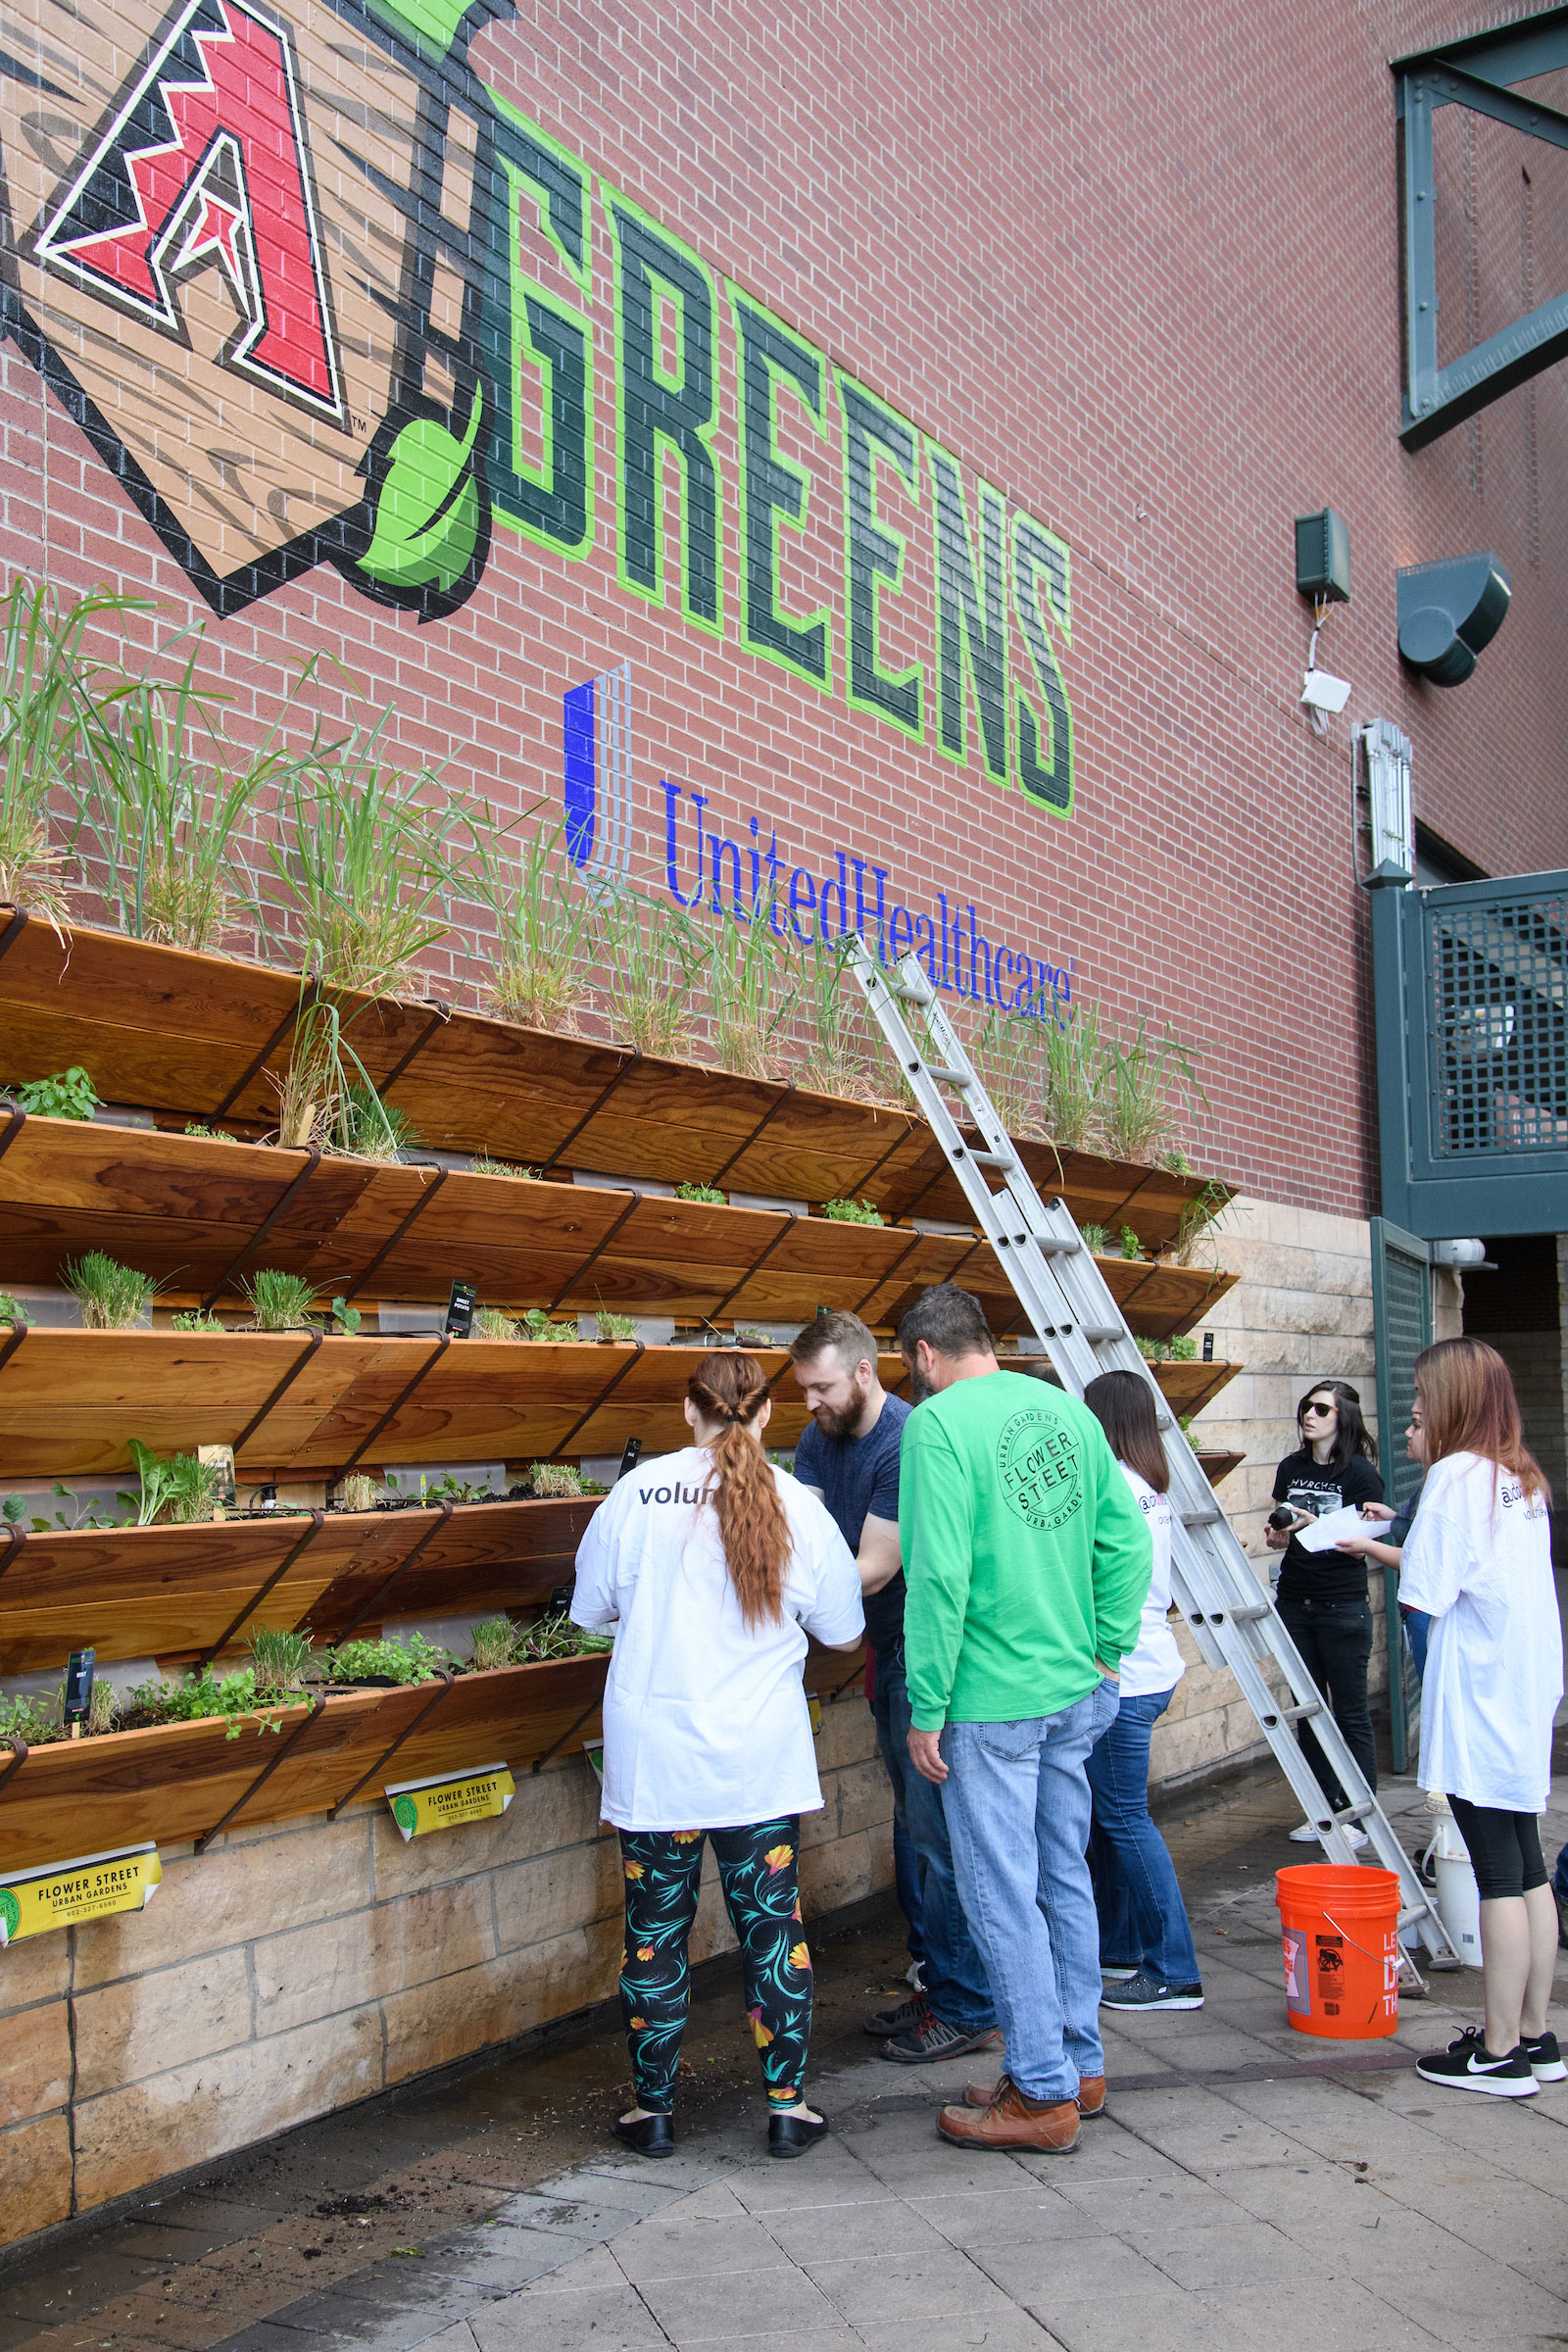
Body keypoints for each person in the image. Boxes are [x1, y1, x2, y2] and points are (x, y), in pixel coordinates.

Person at [570, 1348, 864, 2159]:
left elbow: (588, 1611)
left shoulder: (635, 1494)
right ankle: (786, 2109)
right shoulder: (796, 1503)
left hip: (656, 1759)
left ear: (687, 1411)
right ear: (769, 1413)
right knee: (772, 1930)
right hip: (756, 1766)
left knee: (654, 1939)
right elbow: (843, 1629)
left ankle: (655, 2113)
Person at [896, 1284, 1152, 2154]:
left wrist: (925, 1705)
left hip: (991, 1702)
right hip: (1073, 1690)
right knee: (1062, 1878)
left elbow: (937, 1576)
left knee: (999, 1894)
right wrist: (1110, 1648)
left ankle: (1040, 2093)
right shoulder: (1066, 1412)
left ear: (924, 1357)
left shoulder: (935, 1426)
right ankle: (1075, 2065)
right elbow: (1130, 1543)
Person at [791, 1310, 1000, 2066]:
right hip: (885, 1651)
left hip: (925, 1656)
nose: (809, 1404)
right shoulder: (819, 1438)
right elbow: (803, 1535)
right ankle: (940, 1984)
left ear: (864, 1372)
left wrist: (776, 1602)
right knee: (913, 1827)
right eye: (803, 1390)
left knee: (940, 1835)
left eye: (820, 1387)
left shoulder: (910, 1438)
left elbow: (874, 1565)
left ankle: (970, 2003)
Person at [1397, 1338, 1564, 2096]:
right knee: (1527, 1867)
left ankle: (1497, 2051)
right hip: (1525, 1696)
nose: (1417, 1406)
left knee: (1499, 1873)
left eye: (1425, 1393)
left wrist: (1378, 1547)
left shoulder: (1454, 1477)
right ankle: (1535, 2034)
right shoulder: (1518, 1477)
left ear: (1455, 1397)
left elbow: (1423, 1594)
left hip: (1483, 1700)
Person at [1079, 1370, 1203, 2014]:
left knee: (1126, 1819)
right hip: (1153, 1666)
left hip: (1124, 1679)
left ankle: (1174, 1971)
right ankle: (1123, 1949)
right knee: (1115, 1815)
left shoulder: (1112, 1490)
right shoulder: (1152, 1487)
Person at [1267, 1379, 1384, 1845]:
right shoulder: (1291, 1466)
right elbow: (1281, 1524)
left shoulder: (1360, 1475)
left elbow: (1365, 1548)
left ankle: (1359, 1815)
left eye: (1321, 1409)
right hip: (1296, 1600)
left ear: (1343, 1418)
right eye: (1306, 1407)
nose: (1310, 1415)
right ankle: (1322, 1811)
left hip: (1342, 1606)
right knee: (1309, 1710)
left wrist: (1323, 1525)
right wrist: (1279, 1535)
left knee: (1351, 1712)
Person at [1334, 1396, 1430, 1676]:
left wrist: (1365, 1545)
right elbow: (1417, 1531)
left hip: (1427, 1609)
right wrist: (1392, 1518)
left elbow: (1420, 1556)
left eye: (1417, 1425)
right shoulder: (1429, 1479)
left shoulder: (1445, 1481)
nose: (1407, 1433)